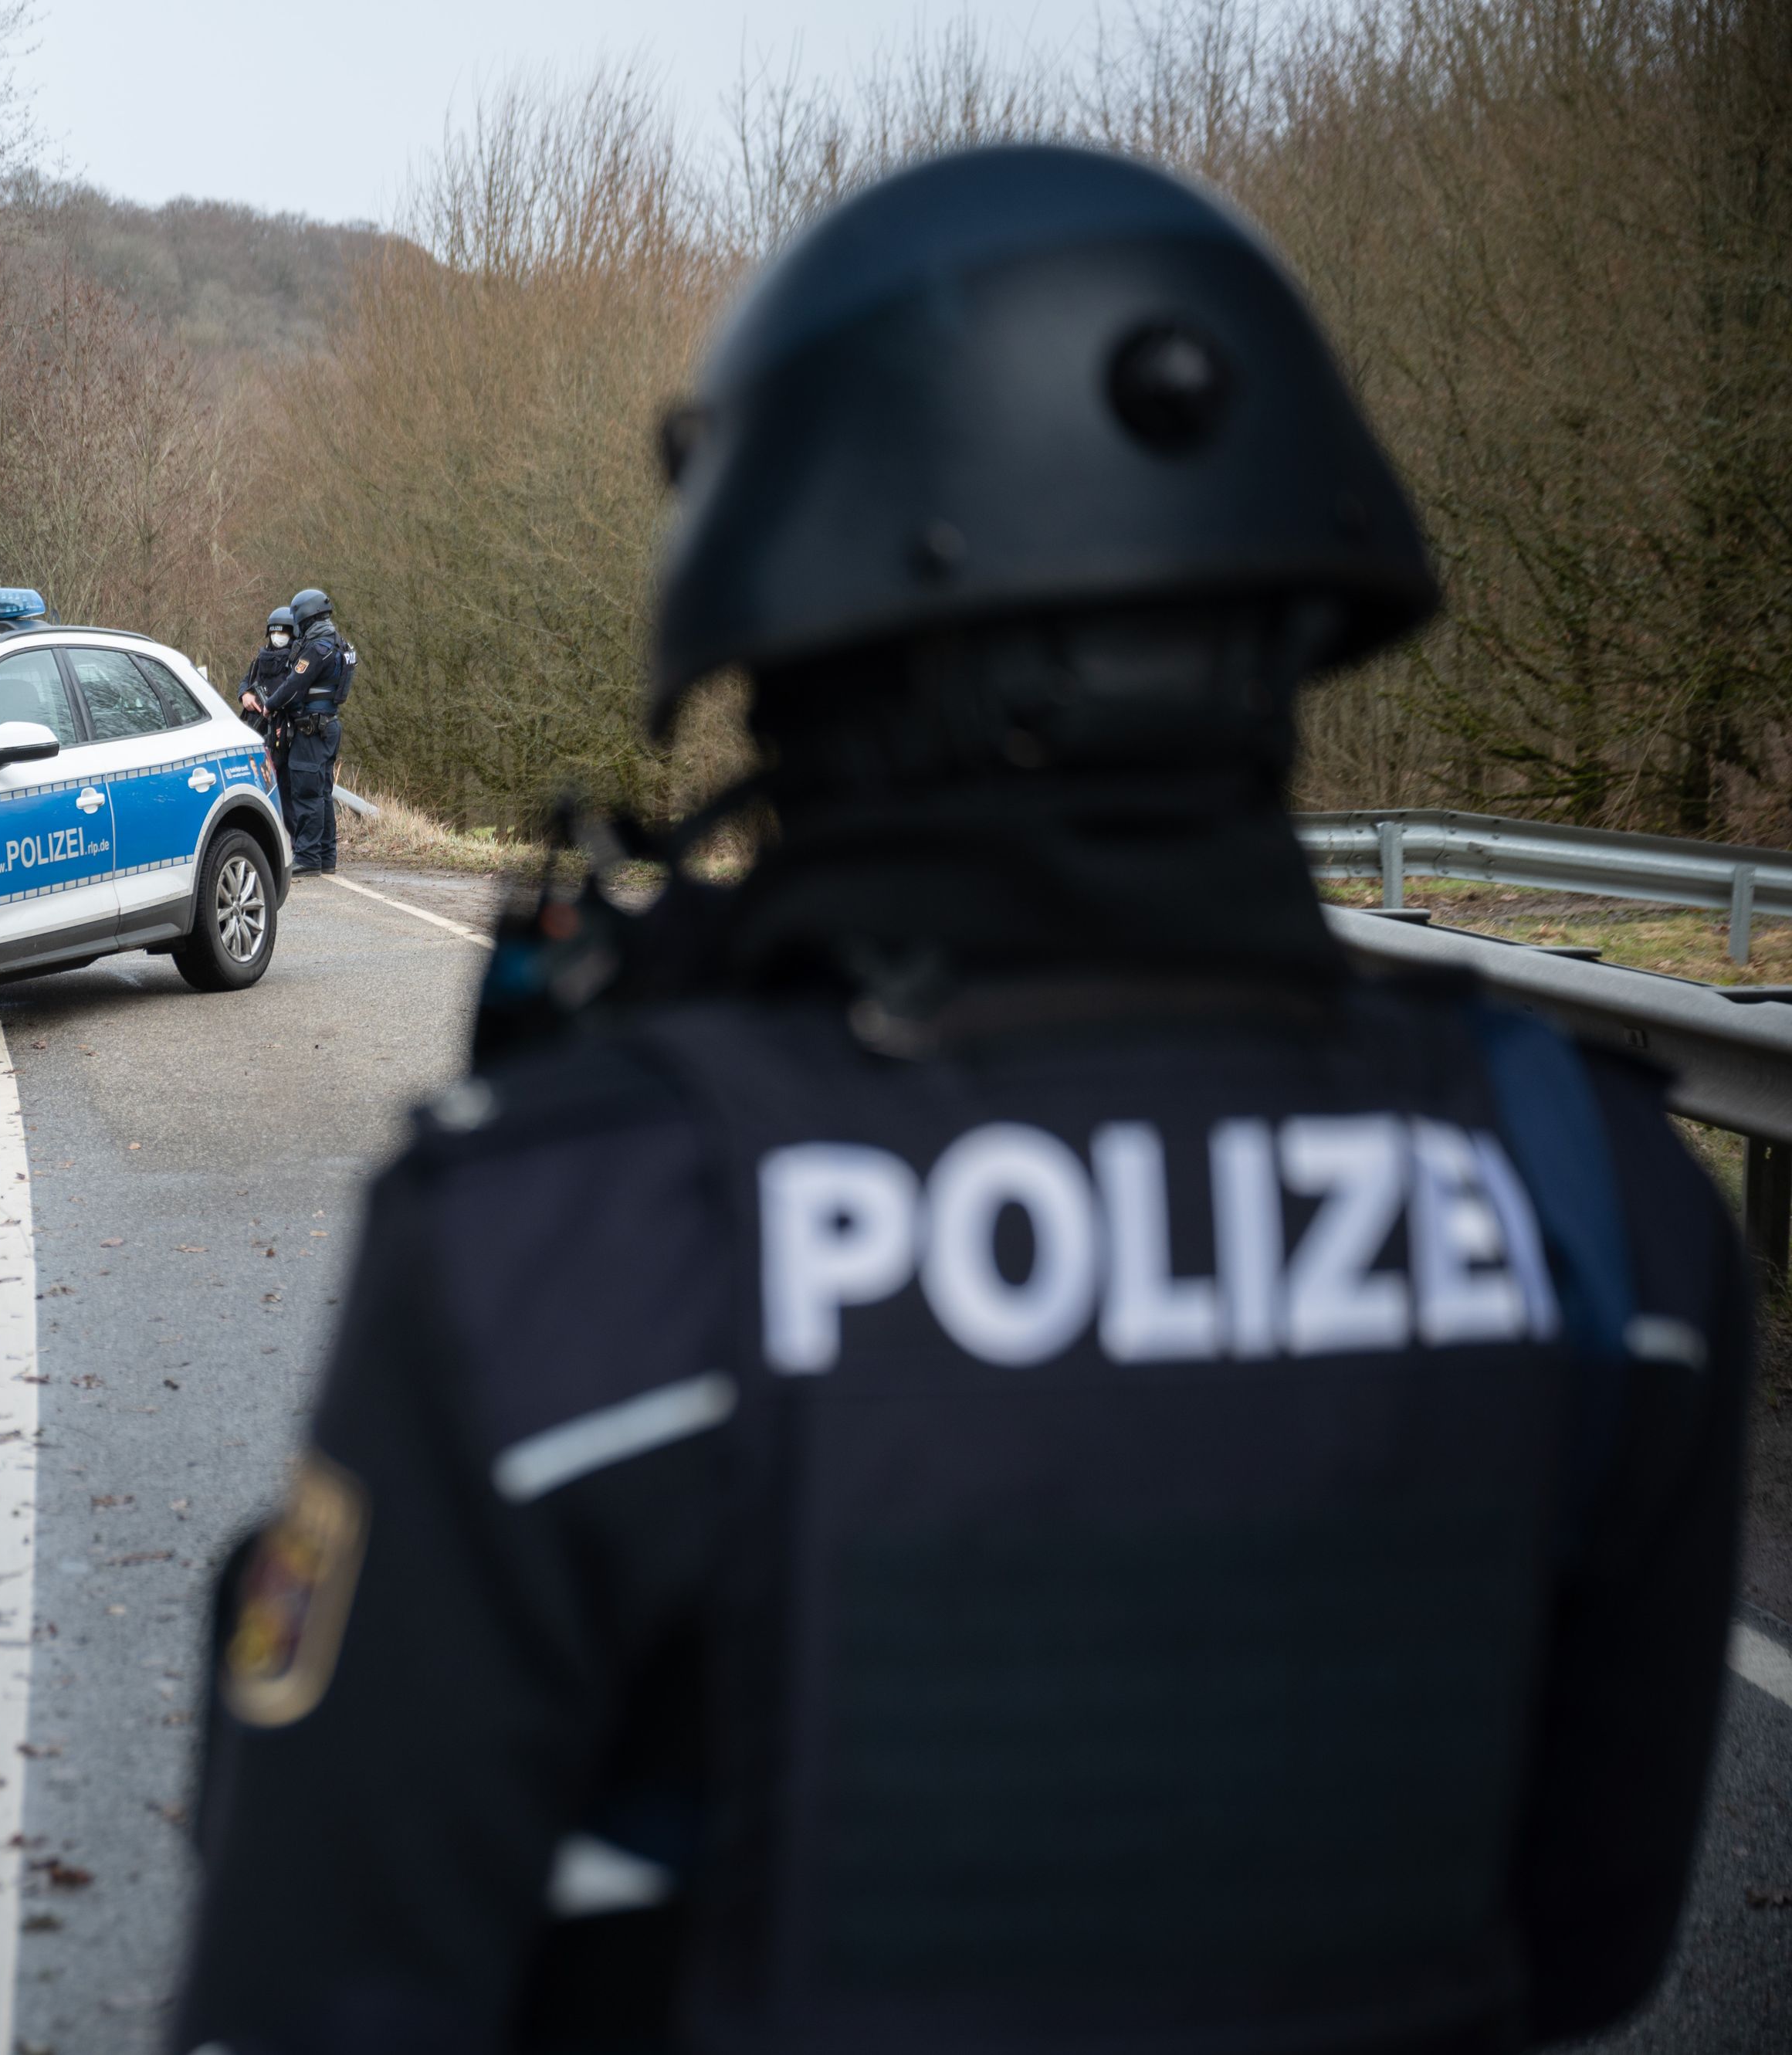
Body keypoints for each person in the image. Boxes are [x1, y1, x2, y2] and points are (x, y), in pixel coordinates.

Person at [174, 142, 1747, 2055]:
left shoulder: (555, 1245)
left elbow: (312, 1987)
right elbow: (1584, 1945)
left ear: (784, 629)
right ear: (1287, 609)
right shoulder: (1607, 1208)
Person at [273, 587, 354, 874]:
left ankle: (308, 858)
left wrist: (270, 704)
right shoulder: (339, 643)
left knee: (307, 793)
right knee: (322, 793)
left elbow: (294, 685)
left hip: (311, 731)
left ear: (305, 615)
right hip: (328, 727)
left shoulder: (317, 647)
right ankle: (326, 856)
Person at [241, 604, 300, 791]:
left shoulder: (296, 661)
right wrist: (245, 695)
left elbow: (298, 696)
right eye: (275, 632)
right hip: (257, 730)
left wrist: (286, 727)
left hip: (283, 736)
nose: (278, 637)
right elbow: (246, 681)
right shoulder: (261, 658)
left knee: (282, 789)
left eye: (283, 632)